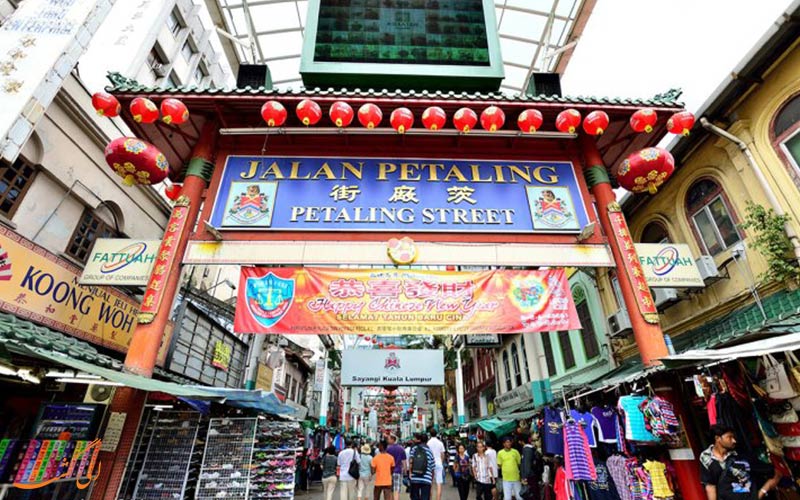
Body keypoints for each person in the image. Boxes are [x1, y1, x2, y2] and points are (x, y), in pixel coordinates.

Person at [700, 424, 780, 500]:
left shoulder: (741, 454)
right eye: (729, 437)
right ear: (717, 438)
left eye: (733, 437)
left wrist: (764, 490)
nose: (734, 440)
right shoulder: (706, 457)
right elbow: (710, 485)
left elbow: (771, 471)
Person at [409, 433, 436, 500]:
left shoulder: (414, 449)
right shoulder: (429, 451)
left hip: (415, 478)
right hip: (426, 478)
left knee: (415, 497)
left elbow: (411, 462)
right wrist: (431, 479)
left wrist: (410, 473)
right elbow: (432, 467)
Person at [520, 435, 542, 500]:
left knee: (530, 494)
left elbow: (527, 464)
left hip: (530, 476)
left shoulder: (527, 450)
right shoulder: (532, 449)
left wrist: (525, 477)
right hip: (533, 475)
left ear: (521, 442)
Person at [387, 434, 407, 500]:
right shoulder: (401, 448)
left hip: (389, 471)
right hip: (398, 471)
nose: (388, 440)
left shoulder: (388, 449)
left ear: (393, 439)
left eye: (389, 439)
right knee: (396, 490)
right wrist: (405, 471)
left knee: (390, 490)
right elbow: (404, 461)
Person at [428, 429, 447, 500]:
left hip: (430, 464)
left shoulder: (428, 443)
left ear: (430, 434)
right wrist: (441, 462)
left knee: (430, 483)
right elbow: (442, 454)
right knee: (439, 483)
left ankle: (430, 498)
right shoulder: (440, 443)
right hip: (439, 463)